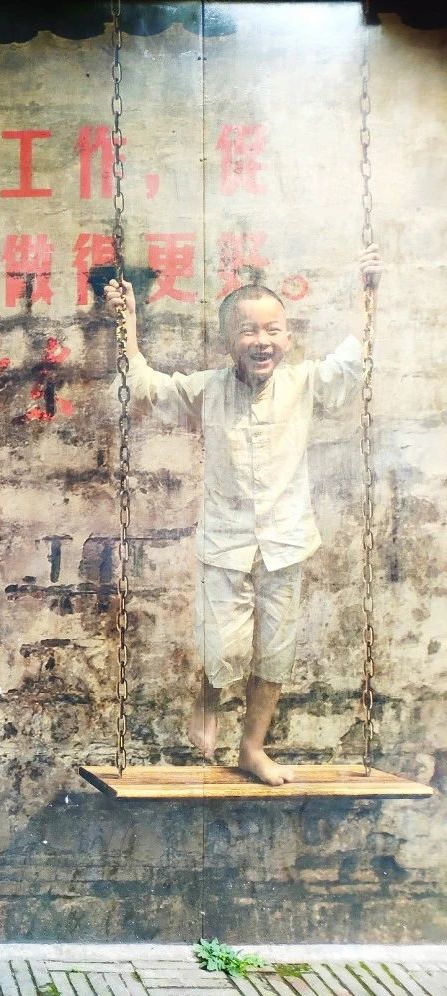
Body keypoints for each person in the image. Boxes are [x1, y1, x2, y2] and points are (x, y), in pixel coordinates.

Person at [104, 245, 383, 785]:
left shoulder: (303, 383)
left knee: (275, 650)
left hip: (287, 541)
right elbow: (146, 387)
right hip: (225, 544)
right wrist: (127, 323)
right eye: (249, 331)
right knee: (222, 645)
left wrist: (367, 295)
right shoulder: (207, 389)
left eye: (273, 330)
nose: (262, 341)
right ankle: (206, 699)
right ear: (228, 341)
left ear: (288, 338)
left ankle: (252, 748)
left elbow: (353, 362)